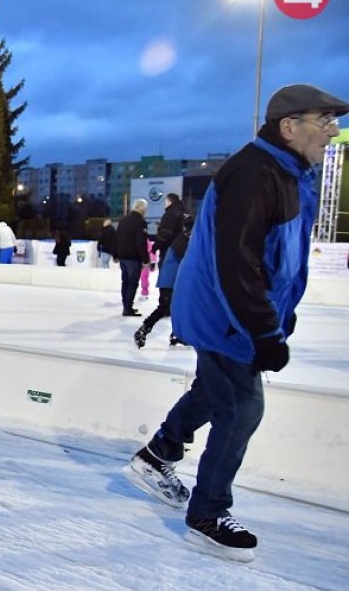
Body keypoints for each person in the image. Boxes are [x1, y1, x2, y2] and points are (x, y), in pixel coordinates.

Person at [125, 84, 349, 561]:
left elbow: (275, 256)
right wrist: (264, 331)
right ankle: (207, 513)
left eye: (335, 120)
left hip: (231, 311)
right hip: (224, 314)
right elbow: (237, 262)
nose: (333, 130)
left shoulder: (288, 171)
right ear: (289, 127)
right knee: (243, 408)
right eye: (324, 120)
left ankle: (158, 454)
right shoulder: (255, 172)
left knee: (214, 391)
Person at [134, 214, 193, 348]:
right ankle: (143, 330)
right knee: (165, 308)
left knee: (179, 308)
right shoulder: (182, 243)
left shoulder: (183, 240)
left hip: (173, 282)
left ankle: (176, 334)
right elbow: (187, 262)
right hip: (170, 282)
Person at [114, 199, 149, 316]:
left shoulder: (123, 221)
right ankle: (128, 307)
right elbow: (141, 242)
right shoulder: (140, 222)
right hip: (133, 257)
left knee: (125, 282)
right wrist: (145, 259)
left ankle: (126, 305)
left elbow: (117, 238)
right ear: (142, 208)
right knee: (132, 283)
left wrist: (116, 254)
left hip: (122, 257)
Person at [152, 193, 186, 267]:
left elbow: (165, 234)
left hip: (169, 250)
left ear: (169, 202)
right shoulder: (182, 213)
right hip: (181, 250)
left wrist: (155, 246)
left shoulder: (170, 214)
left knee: (166, 274)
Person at [138, 237, 157, 301]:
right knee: (143, 278)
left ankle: (144, 293)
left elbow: (152, 253)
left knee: (144, 278)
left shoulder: (147, 243)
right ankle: (144, 293)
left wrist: (152, 263)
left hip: (146, 263)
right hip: (140, 262)